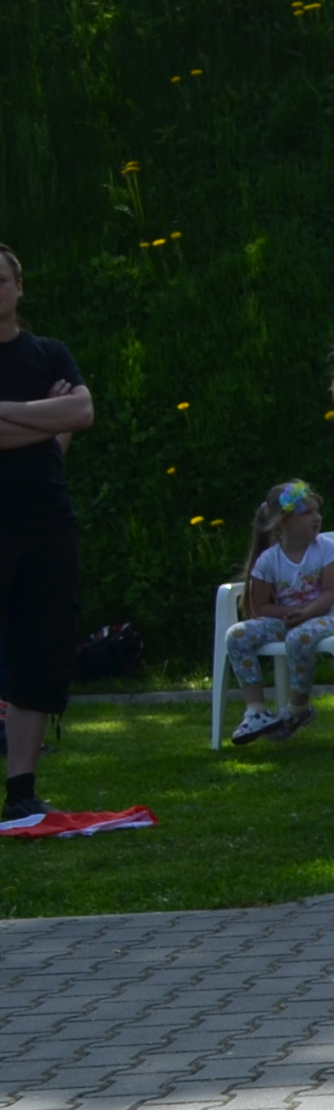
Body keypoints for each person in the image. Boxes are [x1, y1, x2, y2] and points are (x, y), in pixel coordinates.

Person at [0, 247, 94, 830]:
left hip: (46, 523)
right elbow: (61, 417)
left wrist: (9, 414)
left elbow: (80, 413)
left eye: (0, 280)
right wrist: (45, 416)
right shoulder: (48, 379)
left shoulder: (49, 353)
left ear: (19, 287)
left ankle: (21, 791)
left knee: (40, 651)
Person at [225, 482, 334, 743]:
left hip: (329, 616)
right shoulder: (269, 559)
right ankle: (256, 711)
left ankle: (297, 709)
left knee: (299, 638)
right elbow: (260, 607)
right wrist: (292, 613)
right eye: (308, 513)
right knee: (237, 635)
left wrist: (305, 613)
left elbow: (330, 594)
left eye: (317, 511)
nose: (317, 517)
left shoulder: (326, 549)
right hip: (291, 619)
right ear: (284, 521)